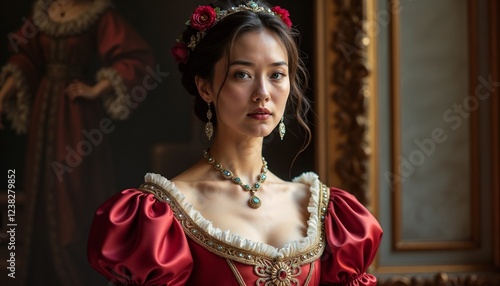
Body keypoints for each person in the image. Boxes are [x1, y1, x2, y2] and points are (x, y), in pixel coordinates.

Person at [87, 0, 383, 285]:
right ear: (205, 88)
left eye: (277, 74)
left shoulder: (324, 210)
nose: (263, 92)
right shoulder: (161, 215)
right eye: (242, 74)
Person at [0, 0, 155, 285]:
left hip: (77, 116)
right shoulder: (44, 11)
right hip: (42, 111)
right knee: (40, 187)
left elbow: (135, 58)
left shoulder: (99, 12)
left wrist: (96, 89)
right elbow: (24, 59)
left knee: (74, 193)